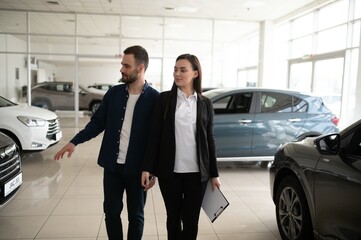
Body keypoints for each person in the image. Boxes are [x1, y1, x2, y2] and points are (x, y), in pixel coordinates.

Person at [53, 45, 159, 240]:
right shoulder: (114, 94)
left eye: (126, 66)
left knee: (136, 216)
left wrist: (152, 171)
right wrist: (75, 142)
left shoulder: (155, 99)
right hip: (112, 168)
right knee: (111, 214)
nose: (121, 69)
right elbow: (97, 123)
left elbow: (157, 140)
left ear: (140, 68)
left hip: (138, 170)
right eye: (122, 65)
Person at [141, 53, 221, 240]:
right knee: (173, 219)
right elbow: (154, 136)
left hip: (197, 174)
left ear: (195, 73)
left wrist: (214, 173)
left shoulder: (205, 103)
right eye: (175, 69)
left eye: (182, 70)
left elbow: (210, 139)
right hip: (171, 173)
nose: (177, 73)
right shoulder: (164, 100)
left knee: (191, 221)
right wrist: (147, 168)